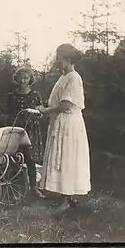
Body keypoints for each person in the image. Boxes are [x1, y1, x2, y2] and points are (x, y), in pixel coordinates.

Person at [35, 43, 91, 212]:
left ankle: (66, 200)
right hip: (61, 121)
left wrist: (46, 110)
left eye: (58, 56)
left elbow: (66, 104)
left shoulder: (74, 77)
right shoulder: (63, 77)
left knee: (67, 158)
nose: (56, 60)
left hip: (69, 123)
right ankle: (65, 196)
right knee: (62, 157)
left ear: (66, 58)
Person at [6, 66, 45, 198]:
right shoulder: (12, 95)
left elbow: (40, 112)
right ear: (16, 79)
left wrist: (36, 115)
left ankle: (34, 188)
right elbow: (9, 113)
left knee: (30, 159)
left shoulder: (35, 95)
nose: (23, 81)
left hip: (31, 131)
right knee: (14, 158)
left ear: (30, 79)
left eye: (26, 78)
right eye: (20, 78)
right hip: (16, 130)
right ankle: (15, 187)